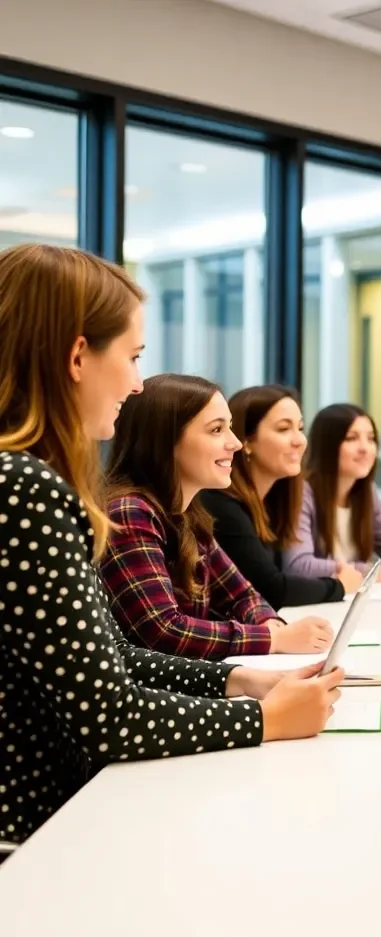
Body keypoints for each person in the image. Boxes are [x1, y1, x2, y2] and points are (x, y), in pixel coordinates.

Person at [0, 244, 344, 843]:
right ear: (78, 356)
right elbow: (111, 717)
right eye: (132, 357)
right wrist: (262, 719)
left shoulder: (27, 482)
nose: (136, 383)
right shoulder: (27, 491)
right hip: (42, 835)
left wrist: (240, 682)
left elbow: (109, 661)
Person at [101, 373, 335, 661]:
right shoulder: (130, 512)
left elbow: (243, 595)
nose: (235, 443)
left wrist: (268, 624)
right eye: (216, 430)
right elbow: (164, 632)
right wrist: (273, 637)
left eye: (231, 428)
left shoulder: (188, 514)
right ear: (165, 440)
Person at [200, 384, 361, 608]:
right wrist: (338, 585)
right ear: (246, 442)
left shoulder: (274, 501)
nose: (300, 440)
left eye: (301, 428)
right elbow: (271, 589)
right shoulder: (222, 505)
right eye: (284, 429)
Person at [284, 402, 381, 584]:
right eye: (351, 438)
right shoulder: (302, 492)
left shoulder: (366, 491)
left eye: (371, 439)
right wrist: (376, 573)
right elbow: (298, 565)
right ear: (327, 446)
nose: (365, 448)